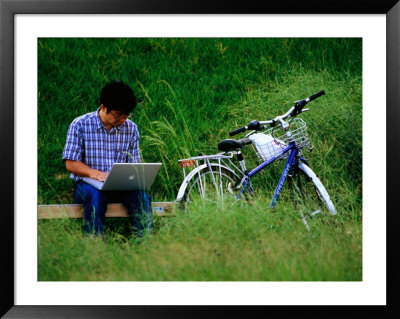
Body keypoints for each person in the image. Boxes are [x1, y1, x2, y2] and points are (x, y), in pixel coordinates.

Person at [62, 80, 153, 237]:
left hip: (120, 186)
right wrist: (96, 174)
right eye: (119, 115)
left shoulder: (131, 128)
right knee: (95, 195)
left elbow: (134, 164)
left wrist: (136, 178)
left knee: (142, 196)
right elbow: (71, 164)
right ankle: (94, 247)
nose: (123, 120)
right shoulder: (80, 125)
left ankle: (145, 246)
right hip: (88, 185)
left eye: (127, 115)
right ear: (103, 107)